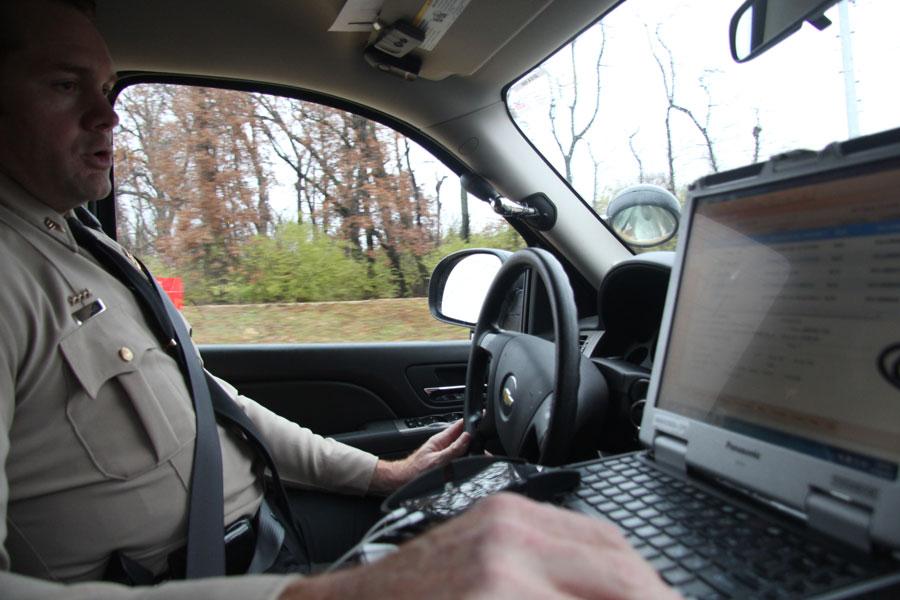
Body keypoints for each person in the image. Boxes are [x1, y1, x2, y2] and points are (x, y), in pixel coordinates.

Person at [0, 0, 677, 598]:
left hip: (267, 530)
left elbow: (217, 409)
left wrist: (383, 475)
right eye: (64, 85)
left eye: (109, 86)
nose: (107, 113)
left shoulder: (87, 248)